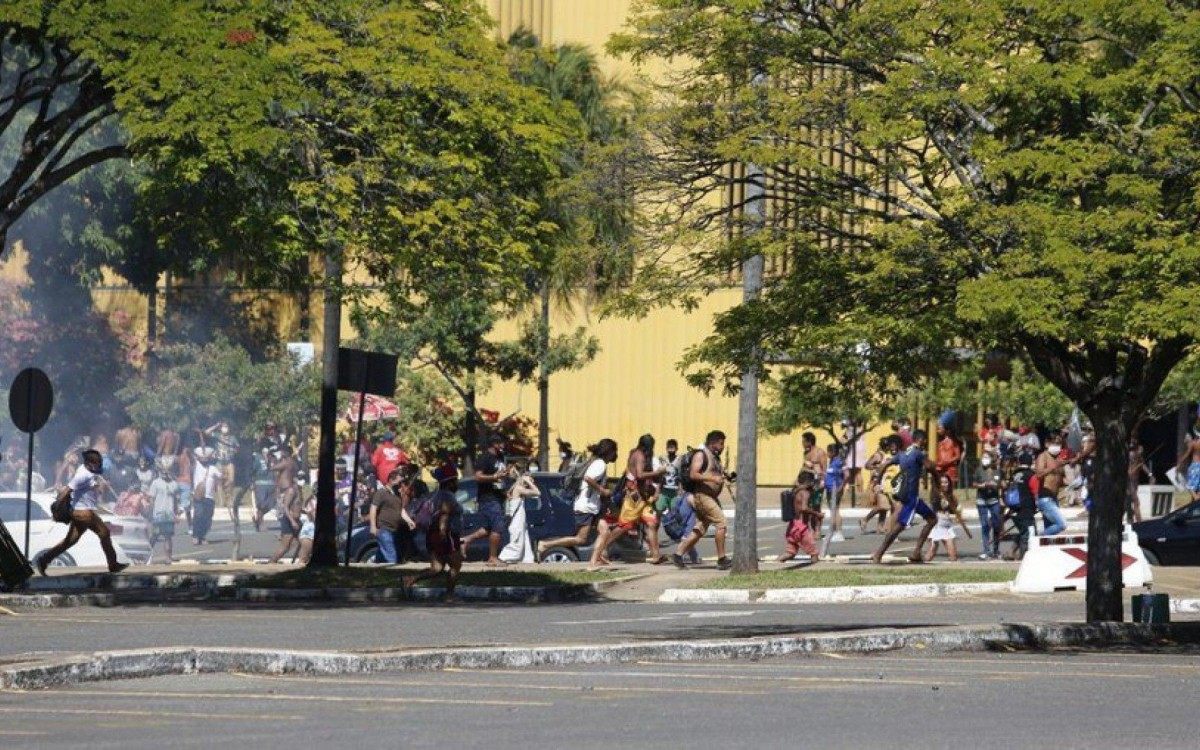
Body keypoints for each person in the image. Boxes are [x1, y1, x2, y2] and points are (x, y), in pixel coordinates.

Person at [37, 450, 128, 574]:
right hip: (84, 514)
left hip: (80, 513)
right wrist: (56, 509)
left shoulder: (85, 470)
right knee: (104, 533)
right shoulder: (83, 475)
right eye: (97, 462)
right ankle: (113, 564)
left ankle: (44, 560)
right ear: (89, 463)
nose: (99, 464)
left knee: (70, 541)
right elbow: (66, 491)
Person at [589, 435, 666, 569]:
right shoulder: (639, 455)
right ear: (647, 446)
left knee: (651, 523)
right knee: (625, 526)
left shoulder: (640, 455)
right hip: (634, 497)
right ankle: (602, 548)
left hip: (645, 498)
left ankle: (656, 556)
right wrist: (657, 472)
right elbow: (640, 475)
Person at [537, 439, 617, 561]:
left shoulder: (595, 461)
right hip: (586, 506)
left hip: (592, 507)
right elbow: (588, 478)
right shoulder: (600, 464)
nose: (616, 454)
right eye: (614, 451)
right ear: (609, 452)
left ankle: (597, 559)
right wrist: (603, 490)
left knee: (605, 531)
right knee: (581, 539)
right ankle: (545, 544)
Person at [870, 429, 938, 564]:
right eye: (925, 440)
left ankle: (916, 552)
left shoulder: (902, 454)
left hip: (909, 496)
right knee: (899, 527)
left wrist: (877, 481)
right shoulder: (918, 453)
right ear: (922, 440)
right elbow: (930, 466)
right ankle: (879, 553)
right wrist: (937, 479)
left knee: (932, 519)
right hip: (911, 497)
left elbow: (885, 464)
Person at [671, 430, 731, 570]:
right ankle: (722, 559)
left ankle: (678, 554)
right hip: (703, 496)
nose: (722, 447)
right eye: (721, 443)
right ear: (713, 443)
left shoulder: (715, 457)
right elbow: (694, 474)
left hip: (711, 497)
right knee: (721, 523)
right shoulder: (701, 454)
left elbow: (715, 473)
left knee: (701, 528)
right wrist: (712, 478)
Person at [404, 466, 464, 603]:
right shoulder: (447, 496)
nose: (457, 484)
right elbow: (444, 514)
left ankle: (409, 579)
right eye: (455, 480)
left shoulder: (436, 495)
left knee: (437, 568)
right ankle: (449, 595)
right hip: (444, 534)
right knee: (456, 565)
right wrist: (443, 534)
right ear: (449, 482)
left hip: (433, 534)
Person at [462, 436, 508, 566]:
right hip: (488, 499)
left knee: (489, 529)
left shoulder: (499, 458)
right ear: (494, 444)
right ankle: (492, 558)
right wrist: (494, 477)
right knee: (498, 527)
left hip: (497, 497)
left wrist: (505, 488)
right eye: (502, 443)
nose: (503, 446)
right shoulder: (485, 457)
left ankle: (466, 540)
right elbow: (477, 476)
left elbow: (499, 477)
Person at [369, 468, 414, 564]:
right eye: (399, 481)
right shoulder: (381, 493)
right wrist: (373, 526)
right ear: (391, 479)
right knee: (392, 556)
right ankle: (393, 575)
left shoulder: (397, 495)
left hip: (394, 530)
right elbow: (373, 509)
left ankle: (375, 568)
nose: (401, 484)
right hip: (384, 529)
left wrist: (409, 521)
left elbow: (401, 510)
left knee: (382, 555)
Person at [924, 475, 971, 561]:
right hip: (937, 525)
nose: (944, 484)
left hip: (947, 526)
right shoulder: (936, 495)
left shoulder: (951, 496)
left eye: (946, 482)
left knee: (953, 556)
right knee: (931, 552)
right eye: (942, 482)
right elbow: (936, 507)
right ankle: (920, 567)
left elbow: (957, 509)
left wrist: (959, 516)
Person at [778, 472, 822, 564]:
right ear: (809, 482)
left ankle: (776, 563)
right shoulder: (805, 493)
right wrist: (816, 514)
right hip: (801, 528)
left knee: (790, 552)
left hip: (793, 526)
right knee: (814, 553)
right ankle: (815, 569)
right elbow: (804, 508)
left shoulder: (796, 491)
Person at [1004, 452, 1038, 560]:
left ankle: (1011, 552)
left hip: (1013, 509)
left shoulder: (1014, 475)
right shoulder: (1031, 475)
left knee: (1023, 531)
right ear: (1031, 462)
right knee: (1029, 533)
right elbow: (1035, 492)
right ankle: (1024, 558)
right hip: (1026, 509)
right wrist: (1038, 505)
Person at [1034, 434, 1069, 536]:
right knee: (1061, 524)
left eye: (1059, 444)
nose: (1057, 446)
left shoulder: (1058, 459)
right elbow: (1039, 475)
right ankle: (1038, 538)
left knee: (1051, 530)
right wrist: (1053, 467)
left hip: (1054, 498)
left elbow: (1059, 480)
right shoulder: (1043, 456)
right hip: (1045, 498)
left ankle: (1042, 546)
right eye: (1054, 443)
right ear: (1047, 444)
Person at [860, 437, 896, 534]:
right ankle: (865, 519)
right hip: (877, 482)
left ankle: (880, 527)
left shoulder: (887, 454)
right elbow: (867, 465)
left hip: (885, 481)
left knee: (884, 506)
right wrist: (878, 467)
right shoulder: (878, 455)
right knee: (883, 506)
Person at [974, 450, 1003, 559]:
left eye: (987, 457)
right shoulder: (979, 470)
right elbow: (974, 483)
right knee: (984, 525)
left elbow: (1001, 484)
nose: (984, 459)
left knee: (996, 524)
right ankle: (986, 550)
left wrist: (998, 485)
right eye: (983, 457)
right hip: (981, 500)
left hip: (994, 500)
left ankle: (996, 549)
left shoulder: (997, 471)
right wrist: (984, 485)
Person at [148, 462, 179, 564]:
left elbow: (175, 500)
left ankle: (168, 557)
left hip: (169, 515)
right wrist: (151, 513)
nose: (166, 473)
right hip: (158, 515)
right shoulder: (156, 483)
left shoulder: (174, 484)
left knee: (168, 537)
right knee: (154, 536)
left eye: (168, 470)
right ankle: (147, 555)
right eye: (164, 471)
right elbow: (151, 499)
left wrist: (176, 513)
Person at [190, 446, 218, 545]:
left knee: (207, 518)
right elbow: (190, 455)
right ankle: (196, 536)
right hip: (198, 496)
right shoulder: (196, 465)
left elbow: (221, 477)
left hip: (210, 497)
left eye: (206, 457)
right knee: (198, 516)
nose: (204, 459)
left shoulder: (213, 468)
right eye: (202, 457)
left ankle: (203, 536)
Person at [823, 443, 848, 542]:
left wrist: (841, 487)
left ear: (833, 452)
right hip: (829, 489)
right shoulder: (832, 461)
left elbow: (847, 475)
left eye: (828, 451)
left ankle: (839, 532)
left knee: (835, 510)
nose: (827, 454)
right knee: (832, 510)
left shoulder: (840, 462)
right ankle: (832, 532)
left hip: (836, 489)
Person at [1176, 418, 1200, 502]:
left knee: (1190, 486)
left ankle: (1196, 499)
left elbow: (1187, 454)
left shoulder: (1194, 443)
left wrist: (1179, 463)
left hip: (1195, 466)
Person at [935, 422, 963, 492]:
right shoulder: (940, 443)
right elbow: (939, 457)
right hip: (941, 469)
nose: (938, 430)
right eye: (938, 429)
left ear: (946, 429)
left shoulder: (953, 442)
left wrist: (947, 461)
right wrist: (938, 464)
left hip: (950, 469)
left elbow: (958, 456)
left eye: (940, 428)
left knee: (949, 490)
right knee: (941, 490)